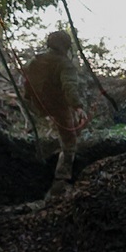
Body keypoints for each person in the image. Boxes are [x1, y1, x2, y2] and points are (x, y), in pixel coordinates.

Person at [22, 30, 86, 198]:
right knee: (70, 140)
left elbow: (26, 82)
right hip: (58, 107)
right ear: (66, 46)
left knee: (59, 131)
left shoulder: (34, 61)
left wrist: (31, 100)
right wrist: (78, 106)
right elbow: (69, 87)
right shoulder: (65, 64)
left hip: (36, 106)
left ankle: (46, 162)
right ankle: (60, 181)